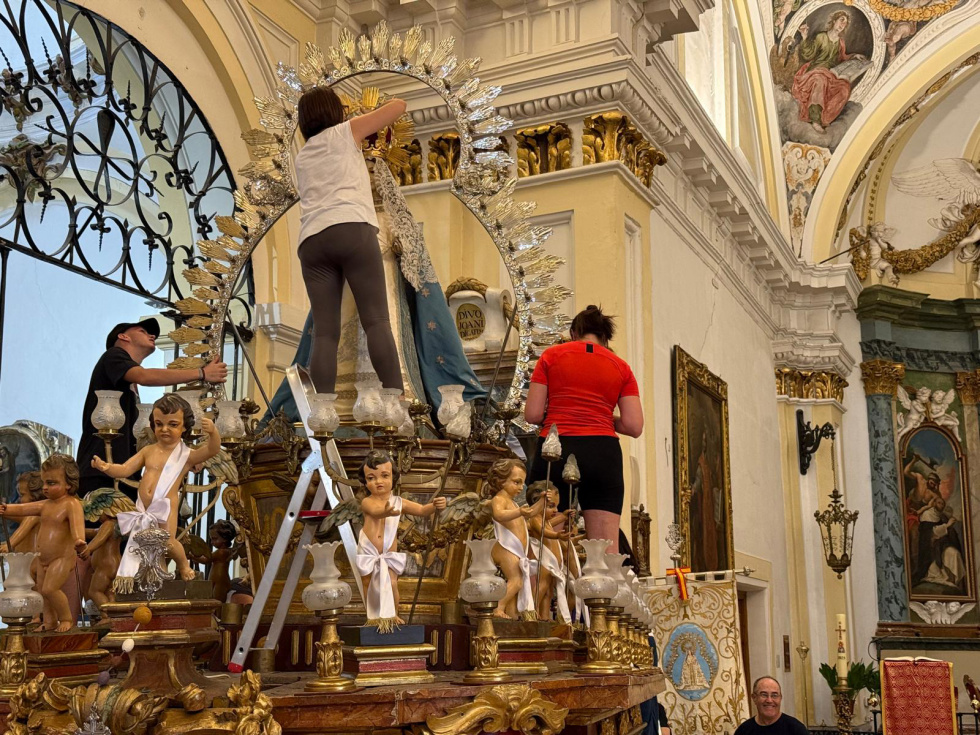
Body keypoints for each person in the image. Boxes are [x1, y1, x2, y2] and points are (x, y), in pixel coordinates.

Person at [294, 86, 408, 394]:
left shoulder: (301, 157)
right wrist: (356, 117)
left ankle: (322, 413)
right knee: (376, 322)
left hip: (312, 242)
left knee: (325, 335)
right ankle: (396, 402)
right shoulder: (345, 132)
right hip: (351, 228)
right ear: (336, 113)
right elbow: (398, 104)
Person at [524, 305, 643, 543]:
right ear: (606, 338)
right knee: (604, 550)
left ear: (573, 333)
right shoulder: (622, 367)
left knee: (548, 547)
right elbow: (633, 426)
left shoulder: (551, 356)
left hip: (555, 450)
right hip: (603, 452)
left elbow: (533, 415)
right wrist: (598, 414)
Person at [76, 318, 228, 499]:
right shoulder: (113, 355)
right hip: (100, 468)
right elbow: (145, 376)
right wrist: (202, 374)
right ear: (123, 336)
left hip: (125, 469)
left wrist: (180, 454)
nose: (152, 335)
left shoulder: (126, 380)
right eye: (143, 331)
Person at [91, 393, 222, 592]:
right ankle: (155, 576)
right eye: (159, 424)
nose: (164, 429)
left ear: (184, 426)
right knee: (147, 545)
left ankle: (183, 564)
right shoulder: (148, 451)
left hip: (165, 506)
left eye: (172, 424)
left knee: (167, 542)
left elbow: (211, 450)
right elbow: (126, 469)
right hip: (144, 507)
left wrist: (213, 433)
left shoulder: (186, 455)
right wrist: (106, 467)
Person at [354, 450, 446, 629]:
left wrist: (435, 506)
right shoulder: (367, 501)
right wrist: (385, 512)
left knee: (392, 582)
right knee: (368, 581)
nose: (378, 481)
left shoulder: (398, 501)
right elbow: (375, 512)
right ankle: (371, 615)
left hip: (389, 549)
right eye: (371, 478)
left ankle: (393, 614)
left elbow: (420, 510)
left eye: (384, 476)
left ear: (393, 478)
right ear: (365, 482)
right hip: (368, 548)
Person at [0, 454, 86, 632]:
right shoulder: (45, 505)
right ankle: (49, 621)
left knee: (50, 589)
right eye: (44, 483)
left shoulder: (71, 504)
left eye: (51, 483)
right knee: (42, 594)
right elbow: (24, 509)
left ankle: (66, 619)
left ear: (68, 483)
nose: (45, 488)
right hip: (42, 559)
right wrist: (6, 509)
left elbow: (78, 527)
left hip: (61, 558)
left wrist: (79, 541)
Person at [791, 11, 865, 133]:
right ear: (834, 21)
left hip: (831, 74)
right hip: (815, 72)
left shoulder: (840, 42)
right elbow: (808, 54)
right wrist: (804, 37)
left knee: (844, 88)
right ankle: (815, 119)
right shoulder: (821, 37)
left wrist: (854, 56)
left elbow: (842, 58)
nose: (843, 25)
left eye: (845, 23)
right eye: (841, 20)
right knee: (821, 80)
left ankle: (825, 118)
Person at [734, 677, 807, 735]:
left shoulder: (796, 729)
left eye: (774, 695)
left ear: (780, 698)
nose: (769, 700)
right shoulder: (743, 730)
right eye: (764, 695)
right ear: (754, 698)